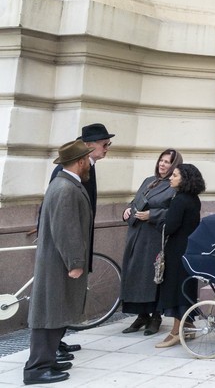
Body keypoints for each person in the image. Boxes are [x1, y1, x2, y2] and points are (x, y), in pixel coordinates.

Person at [24, 140, 94, 386]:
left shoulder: (63, 184)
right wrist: (75, 262)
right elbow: (67, 230)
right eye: (87, 159)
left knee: (55, 310)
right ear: (80, 161)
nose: (89, 164)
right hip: (59, 264)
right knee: (49, 313)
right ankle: (37, 368)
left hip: (55, 262)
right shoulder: (66, 188)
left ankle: (47, 360)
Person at [47, 123, 113, 360]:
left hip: (81, 237)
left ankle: (57, 340)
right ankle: (50, 347)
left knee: (68, 293)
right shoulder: (67, 173)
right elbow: (58, 208)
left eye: (108, 144)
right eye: (104, 144)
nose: (107, 149)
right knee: (59, 294)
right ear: (88, 147)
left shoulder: (89, 167)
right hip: (66, 246)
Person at [119, 148, 182, 337]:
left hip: (154, 236)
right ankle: (141, 315)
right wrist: (127, 211)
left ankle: (155, 316)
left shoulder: (175, 185)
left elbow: (175, 211)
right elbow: (135, 201)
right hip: (136, 234)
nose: (162, 164)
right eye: (161, 160)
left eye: (168, 162)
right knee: (135, 273)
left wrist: (152, 214)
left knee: (152, 276)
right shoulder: (149, 181)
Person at [153, 163, 205, 349]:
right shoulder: (193, 199)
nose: (170, 178)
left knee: (175, 289)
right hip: (189, 249)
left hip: (176, 250)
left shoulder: (180, 200)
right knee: (186, 287)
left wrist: (158, 222)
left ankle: (176, 330)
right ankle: (189, 325)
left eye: (174, 175)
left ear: (184, 179)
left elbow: (170, 226)